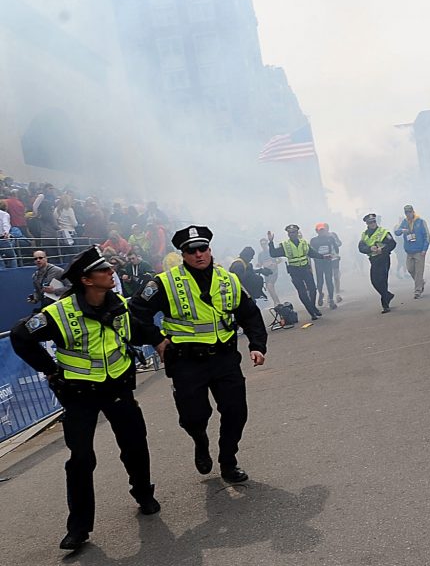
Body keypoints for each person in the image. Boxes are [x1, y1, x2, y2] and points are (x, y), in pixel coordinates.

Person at [10, 247, 160, 551]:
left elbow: (136, 330)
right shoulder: (57, 313)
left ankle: (143, 493)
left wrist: (159, 340)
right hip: (79, 394)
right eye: (104, 271)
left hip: (117, 386)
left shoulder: (116, 304)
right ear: (86, 280)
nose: (111, 273)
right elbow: (19, 336)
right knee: (80, 459)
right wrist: (50, 370)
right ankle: (78, 528)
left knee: (134, 444)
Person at [129, 225, 268, 484]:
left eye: (202, 248)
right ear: (183, 254)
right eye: (191, 250)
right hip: (186, 361)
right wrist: (157, 340)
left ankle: (229, 462)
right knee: (194, 417)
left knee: (236, 412)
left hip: (225, 357)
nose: (198, 254)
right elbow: (136, 313)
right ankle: (200, 440)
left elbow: (249, 313)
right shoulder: (164, 282)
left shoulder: (228, 279)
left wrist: (257, 345)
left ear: (210, 250)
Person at [266, 224, 328, 321]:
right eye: (290, 233)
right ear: (288, 234)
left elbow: (311, 253)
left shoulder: (304, 243)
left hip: (305, 269)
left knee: (313, 289)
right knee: (302, 292)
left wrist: (323, 257)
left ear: (297, 233)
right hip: (295, 271)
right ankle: (311, 312)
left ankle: (312, 307)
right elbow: (273, 253)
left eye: (294, 232)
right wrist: (270, 242)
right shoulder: (285, 245)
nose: (292, 234)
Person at [358, 213, 397, 313]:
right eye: (370, 222)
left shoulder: (383, 232)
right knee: (374, 281)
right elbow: (361, 248)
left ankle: (385, 304)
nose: (373, 224)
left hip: (383, 258)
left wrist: (382, 250)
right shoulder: (365, 235)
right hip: (373, 260)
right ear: (367, 223)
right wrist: (370, 248)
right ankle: (387, 295)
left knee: (383, 281)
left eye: (374, 221)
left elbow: (392, 244)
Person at [394, 204, 430, 299]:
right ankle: (420, 282)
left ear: (413, 211)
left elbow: (427, 236)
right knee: (410, 269)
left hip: (419, 251)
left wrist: (424, 249)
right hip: (409, 251)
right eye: (406, 212)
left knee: (419, 271)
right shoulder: (404, 222)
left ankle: (417, 291)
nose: (408, 214)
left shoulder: (421, 222)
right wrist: (402, 230)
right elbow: (397, 232)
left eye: (409, 212)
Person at [309, 223, 339, 310]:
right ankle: (320, 293)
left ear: (325, 230)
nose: (322, 232)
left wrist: (334, 255)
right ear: (317, 231)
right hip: (318, 262)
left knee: (329, 280)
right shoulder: (314, 240)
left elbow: (336, 248)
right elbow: (311, 251)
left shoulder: (330, 238)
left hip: (328, 261)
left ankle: (331, 299)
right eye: (320, 230)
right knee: (320, 281)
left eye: (323, 230)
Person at [257, 238, 282, 306]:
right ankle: (276, 302)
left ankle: (277, 302)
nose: (263, 245)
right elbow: (259, 263)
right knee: (269, 288)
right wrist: (258, 265)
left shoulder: (271, 251)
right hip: (266, 273)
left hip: (273, 272)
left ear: (267, 244)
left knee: (270, 286)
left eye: (264, 244)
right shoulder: (260, 254)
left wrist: (274, 263)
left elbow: (279, 260)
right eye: (262, 244)